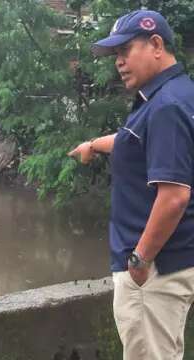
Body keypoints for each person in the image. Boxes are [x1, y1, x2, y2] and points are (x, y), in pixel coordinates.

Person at [69, 10, 194, 360]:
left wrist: (139, 260)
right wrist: (93, 145)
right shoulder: (176, 94)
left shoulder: (165, 106)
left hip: (153, 272)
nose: (119, 62)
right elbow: (132, 140)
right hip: (175, 260)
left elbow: (174, 198)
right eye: (115, 56)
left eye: (126, 51)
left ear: (156, 44)